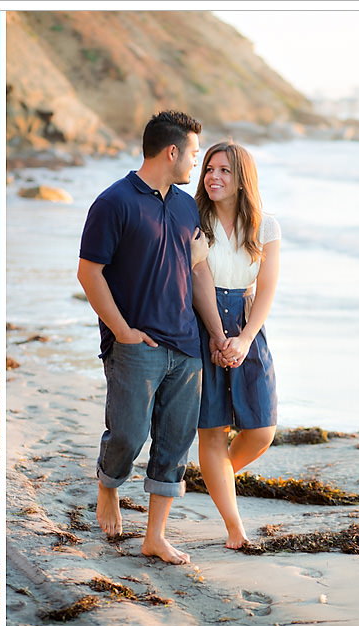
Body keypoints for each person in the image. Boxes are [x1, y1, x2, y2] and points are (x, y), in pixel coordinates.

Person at [77, 110, 222, 565]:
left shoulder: (185, 206)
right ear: (172, 151)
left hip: (187, 346)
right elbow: (88, 273)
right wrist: (122, 331)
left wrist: (215, 334)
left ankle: (154, 536)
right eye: (195, 154)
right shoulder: (113, 201)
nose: (196, 164)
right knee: (128, 433)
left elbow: (198, 272)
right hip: (135, 345)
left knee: (175, 443)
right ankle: (108, 487)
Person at [192, 141, 281, 549]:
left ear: (242, 178)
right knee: (212, 430)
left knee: (262, 429)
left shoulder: (266, 226)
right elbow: (197, 279)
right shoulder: (193, 219)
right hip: (202, 321)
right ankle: (234, 529)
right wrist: (214, 332)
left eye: (225, 170)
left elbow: (266, 289)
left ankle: (215, 476)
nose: (214, 176)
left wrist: (244, 340)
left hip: (248, 325)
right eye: (209, 168)